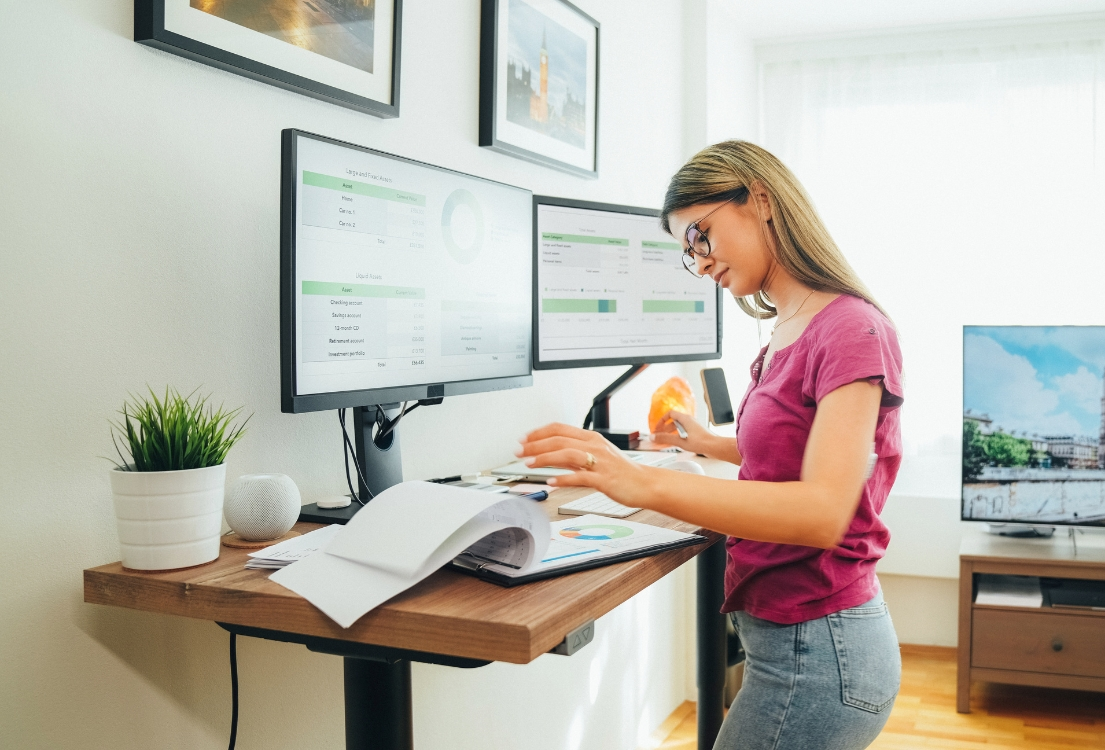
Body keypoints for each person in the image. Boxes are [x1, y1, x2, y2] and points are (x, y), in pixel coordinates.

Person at [515, 141, 903, 750]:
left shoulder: (852, 329)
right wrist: (713, 445)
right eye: (686, 252)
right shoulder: (788, 328)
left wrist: (638, 481)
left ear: (762, 199)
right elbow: (792, 455)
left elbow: (824, 511)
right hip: (792, 641)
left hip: (821, 652)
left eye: (700, 236)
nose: (698, 263)